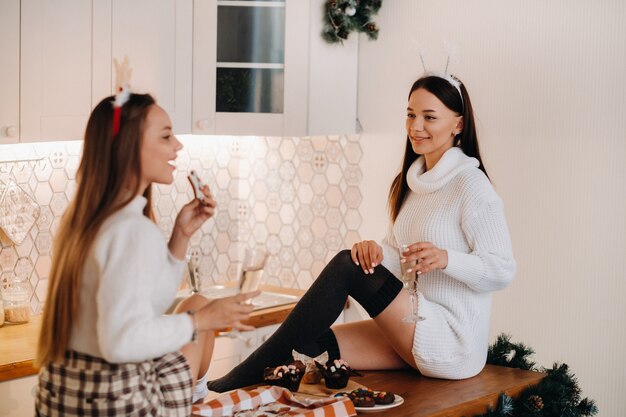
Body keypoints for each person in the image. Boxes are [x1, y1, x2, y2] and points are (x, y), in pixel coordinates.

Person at [207, 72, 516, 392]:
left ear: (458, 125)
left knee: (347, 265)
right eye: (410, 115)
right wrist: (379, 254)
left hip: (452, 342)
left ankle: (235, 379)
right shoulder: (413, 184)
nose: (416, 126)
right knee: (310, 345)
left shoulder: (471, 186)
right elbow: (400, 258)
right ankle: (238, 393)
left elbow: (503, 269)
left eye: (429, 117)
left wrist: (447, 259)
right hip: (415, 327)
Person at [35, 92, 259, 416]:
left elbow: (152, 300)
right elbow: (121, 341)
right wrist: (203, 320)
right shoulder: (132, 231)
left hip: (64, 397)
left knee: (195, 308)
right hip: (118, 404)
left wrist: (180, 236)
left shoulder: (83, 221)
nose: (178, 146)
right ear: (130, 148)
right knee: (199, 313)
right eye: (166, 136)